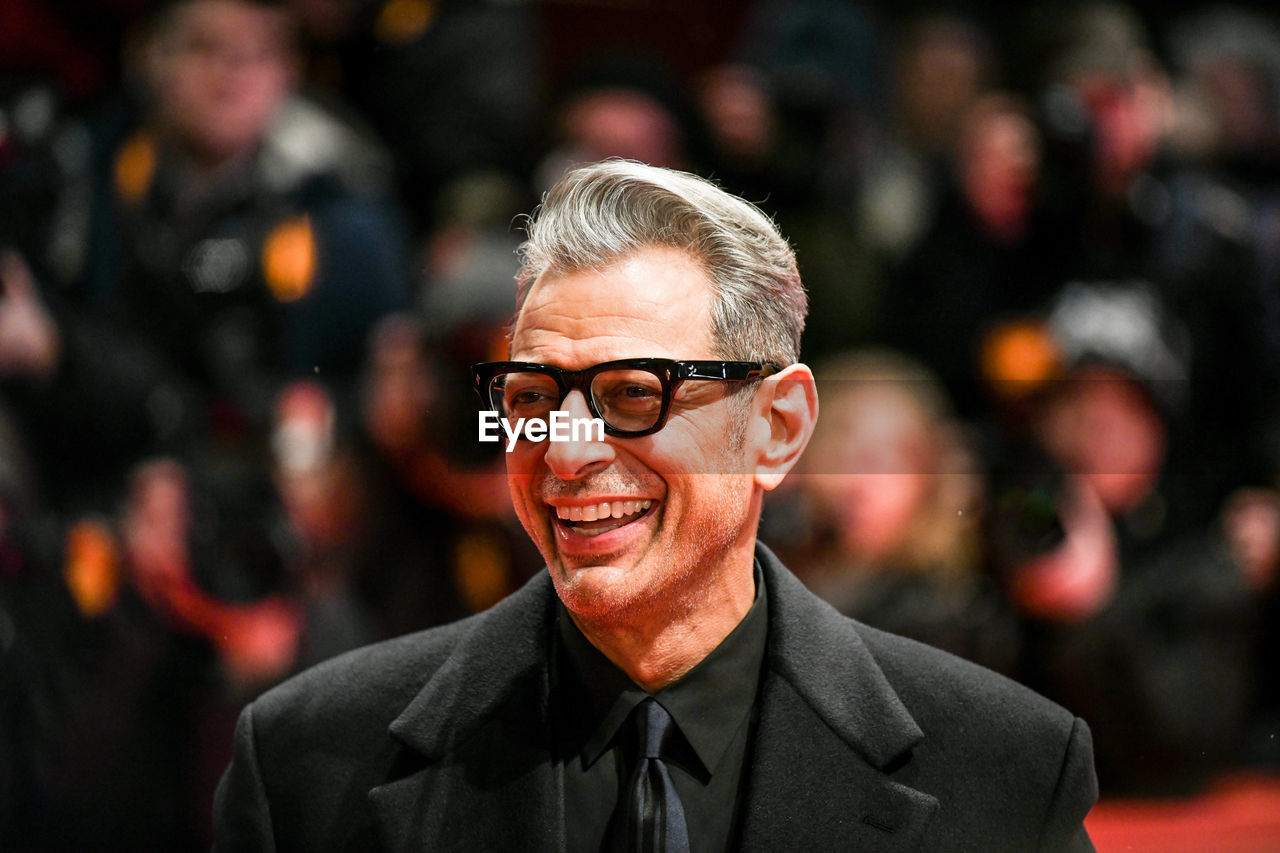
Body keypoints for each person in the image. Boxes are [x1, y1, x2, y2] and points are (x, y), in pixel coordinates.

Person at [214, 160, 1096, 851]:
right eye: (530, 397)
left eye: (635, 394)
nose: (565, 449)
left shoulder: (1005, 769)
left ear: (778, 428)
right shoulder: (306, 762)